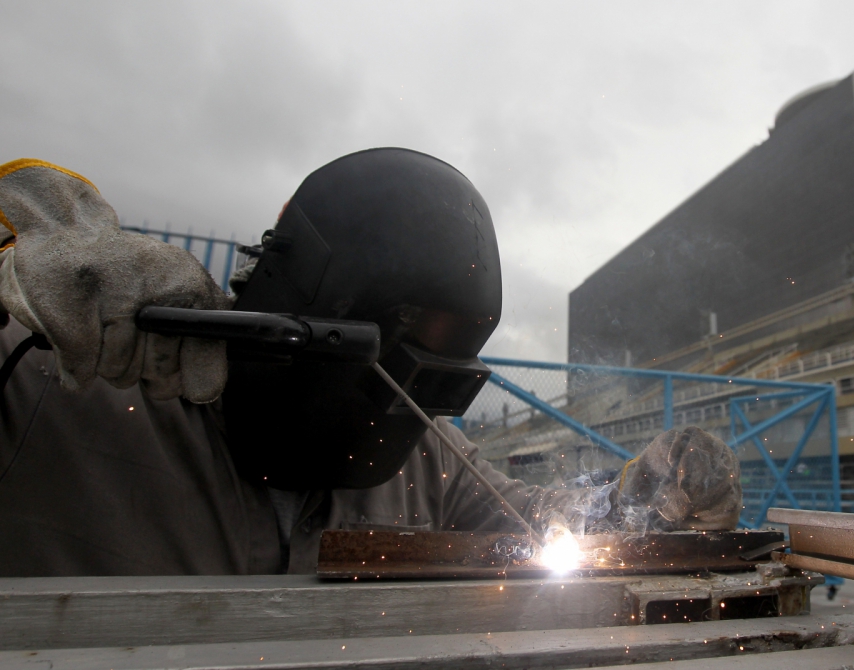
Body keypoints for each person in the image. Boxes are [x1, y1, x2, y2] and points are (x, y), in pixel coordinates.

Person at [0, 152, 742, 577]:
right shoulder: (59, 378)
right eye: (397, 364)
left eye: (440, 380)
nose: (402, 409)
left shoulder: (427, 454)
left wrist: (638, 504)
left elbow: (544, 525)